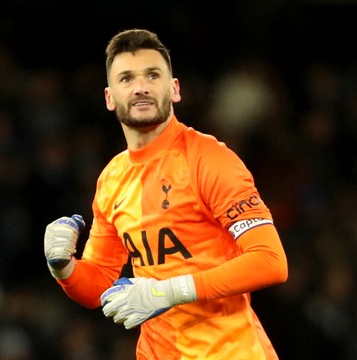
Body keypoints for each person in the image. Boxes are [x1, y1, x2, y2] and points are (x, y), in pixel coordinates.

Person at [44, 28, 288, 360]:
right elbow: (99, 283)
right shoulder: (112, 179)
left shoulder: (209, 160)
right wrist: (64, 269)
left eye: (152, 75)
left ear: (174, 89)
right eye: (127, 79)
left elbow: (270, 261)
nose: (141, 87)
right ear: (109, 97)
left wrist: (168, 291)